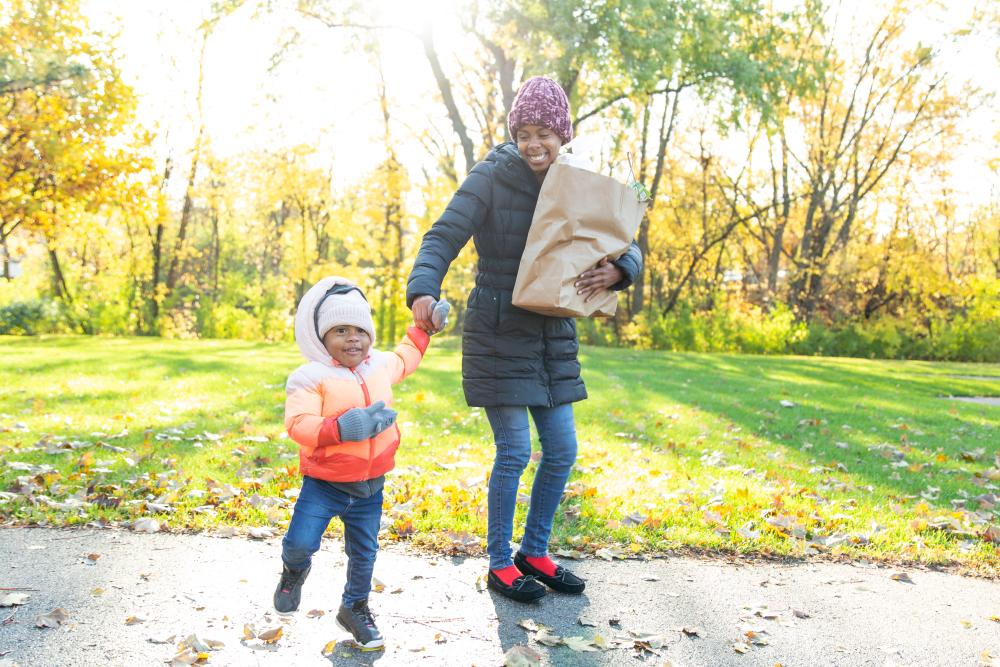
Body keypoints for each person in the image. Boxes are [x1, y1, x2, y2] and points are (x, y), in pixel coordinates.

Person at [406, 76, 642, 603]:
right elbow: (442, 235)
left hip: (552, 333)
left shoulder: (578, 178)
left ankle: (534, 552)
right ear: (514, 135)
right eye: (525, 133)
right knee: (515, 451)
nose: (534, 143)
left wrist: (621, 270)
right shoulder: (490, 177)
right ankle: (498, 563)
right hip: (498, 331)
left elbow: (625, 234)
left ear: (564, 136)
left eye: (545, 133)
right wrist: (423, 288)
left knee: (561, 451)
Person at [275, 276, 447, 650]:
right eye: (340, 330)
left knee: (364, 552)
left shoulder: (379, 365)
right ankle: (293, 570)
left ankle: (355, 607)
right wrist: (341, 427)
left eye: (359, 330)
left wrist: (423, 328)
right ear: (321, 338)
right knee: (301, 542)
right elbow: (298, 425)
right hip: (324, 484)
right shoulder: (310, 377)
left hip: (370, 485)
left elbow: (406, 356)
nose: (353, 338)